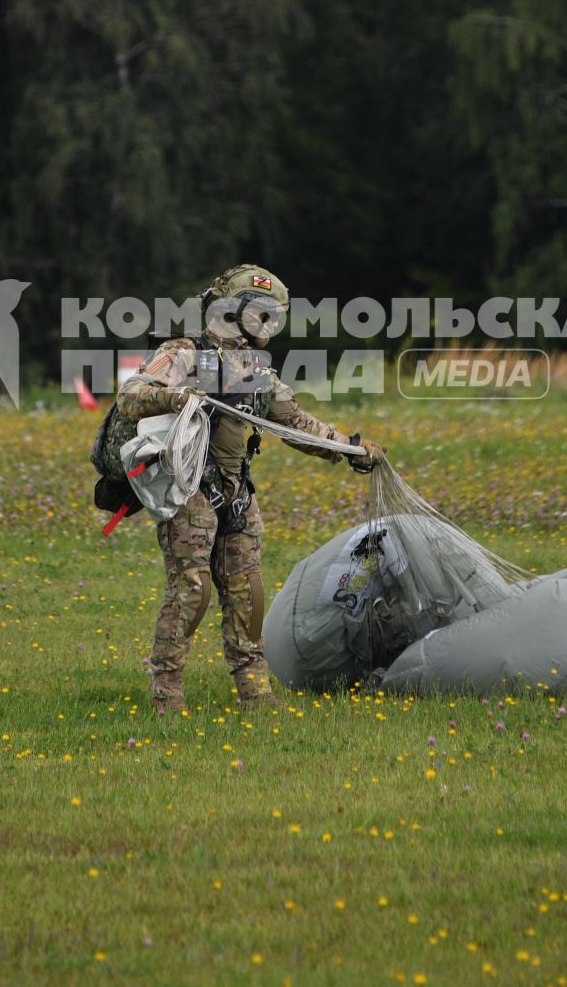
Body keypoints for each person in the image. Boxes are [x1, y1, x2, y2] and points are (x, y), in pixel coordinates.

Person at [116, 264, 384, 716]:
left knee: (248, 594)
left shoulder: (255, 370)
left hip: (237, 495)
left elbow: (295, 423)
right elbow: (131, 394)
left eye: (271, 316)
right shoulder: (182, 352)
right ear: (233, 311)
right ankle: (167, 692)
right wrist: (178, 397)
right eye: (261, 314)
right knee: (192, 591)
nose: (268, 325)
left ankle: (256, 694)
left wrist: (349, 448)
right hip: (189, 495)